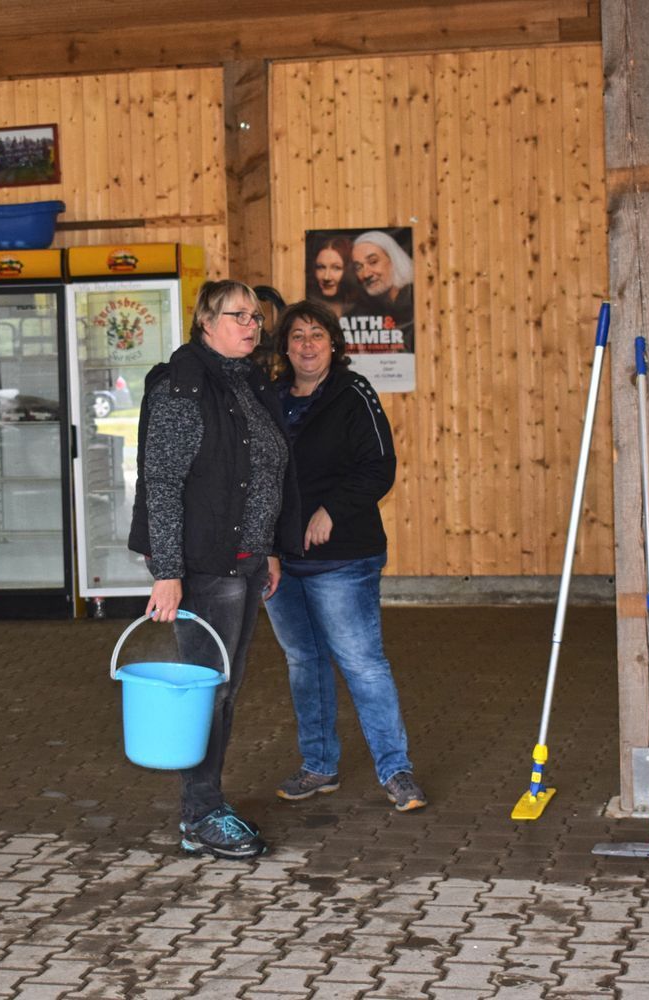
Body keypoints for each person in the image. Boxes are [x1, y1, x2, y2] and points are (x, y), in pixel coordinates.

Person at [129, 279, 302, 860]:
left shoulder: (246, 381)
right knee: (211, 691)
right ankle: (200, 815)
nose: (252, 326)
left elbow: (262, 474)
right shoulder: (183, 385)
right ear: (206, 322)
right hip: (206, 566)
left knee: (226, 688)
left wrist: (268, 547)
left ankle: (206, 806)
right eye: (238, 316)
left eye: (256, 317)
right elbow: (162, 482)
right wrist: (168, 571)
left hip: (246, 562)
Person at [262, 301, 427, 812]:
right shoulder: (270, 399)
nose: (307, 344)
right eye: (297, 336)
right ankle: (319, 766)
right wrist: (266, 548)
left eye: (317, 334)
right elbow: (259, 480)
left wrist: (331, 510)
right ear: (285, 347)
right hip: (282, 563)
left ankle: (396, 772)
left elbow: (378, 467)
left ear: (334, 343)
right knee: (303, 663)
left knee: (362, 664)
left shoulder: (354, 393)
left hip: (343, 560)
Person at [347, 230, 416, 352]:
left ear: (393, 259)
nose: (366, 274)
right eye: (358, 267)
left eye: (373, 262)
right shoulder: (365, 310)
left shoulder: (414, 300)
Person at [305, 236, 360, 318]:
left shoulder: (363, 311)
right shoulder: (309, 311)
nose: (326, 277)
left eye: (336, 268)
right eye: (321, 267)